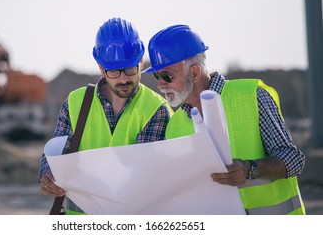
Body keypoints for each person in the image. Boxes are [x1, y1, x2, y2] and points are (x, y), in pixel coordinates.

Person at [143, 24, 306, 215]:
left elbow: (294, 160)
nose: (160, 84)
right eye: (157, 75)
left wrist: (249, 170)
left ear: (194, 73)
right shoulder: (174, 126)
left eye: (166, 75)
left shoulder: (251, 95)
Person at [39, 17, 172, 215]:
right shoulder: (75, 103)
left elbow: (144, 180)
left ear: (141, 63)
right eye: (114, 72)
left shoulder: (156, 109)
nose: (124, 79)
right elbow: (57, 154)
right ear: (101, 68)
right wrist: (47, 174)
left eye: (130, 69)